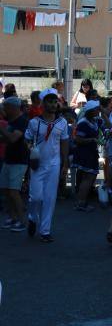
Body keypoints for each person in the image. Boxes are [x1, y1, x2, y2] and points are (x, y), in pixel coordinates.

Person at [25, 88, 70, 243]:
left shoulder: (62, 122)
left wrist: (65, 163)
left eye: (54, 101)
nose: (52, 104)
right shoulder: (34, 122)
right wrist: (31, 149)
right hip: (37, 163)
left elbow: (64, 143)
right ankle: (32, 217)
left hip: (54, 164)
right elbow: (27, 139)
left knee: (50, 198)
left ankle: (45, 231)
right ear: (42, 104)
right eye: (49, 101)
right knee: (36, 197)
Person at [0, 97, 29, 231]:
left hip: (19, 160)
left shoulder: (22, 121)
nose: (4, 110)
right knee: (5, 189)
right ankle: (12, 217)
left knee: (13, 191)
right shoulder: (12, 122)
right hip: (9, 159)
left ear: (13, 108)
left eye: (5, 107)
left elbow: (12, 138)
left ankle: (22, 220)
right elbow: (6, 139)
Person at [73, 100, 103, 211]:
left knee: (87, 177)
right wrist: (92, 139)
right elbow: (78, 139)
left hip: (90, 152)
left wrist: (103, 112)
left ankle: (81, 200)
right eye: (97, 109)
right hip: (85, 153)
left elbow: (108, 124)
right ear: (91, 111)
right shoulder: (83, 123)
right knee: (88, 178)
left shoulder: (95, 121)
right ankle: (81, 202)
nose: (98, 110)